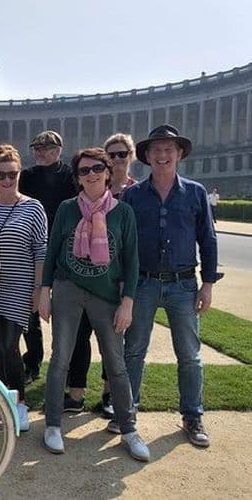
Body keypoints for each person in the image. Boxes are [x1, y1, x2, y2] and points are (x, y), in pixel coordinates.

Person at [39, 147, 149, 461]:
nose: (91, 174)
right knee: (61, 357)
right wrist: (44, 291)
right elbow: (52, 251)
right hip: (68, 289)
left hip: (107, 295)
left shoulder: (122, 211)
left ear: (108, 170)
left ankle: (128, 428)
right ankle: (53, 424)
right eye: (84, 170)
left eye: (97, 168)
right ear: (77, 177)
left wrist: (128, 302)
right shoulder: (66, 209)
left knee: (116, 362)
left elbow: (132, 261)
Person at [122, 124, 219, 448]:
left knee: (190, 355)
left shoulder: (195, 192)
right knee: (134, 351)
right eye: (156, 150)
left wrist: (207, 285)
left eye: (169, 149)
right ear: (147, 157)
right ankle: (128, 414)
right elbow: (124, 243)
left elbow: (208, 239)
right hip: (144, 282)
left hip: (183, 284)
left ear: (179, 154)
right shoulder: (133, 195)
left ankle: (192, 416)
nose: (163, 155)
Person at [65, 133, 138, 420]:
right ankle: (76, 393)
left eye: (123, 154)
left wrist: (128, 293)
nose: (118, 159)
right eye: (113, 155)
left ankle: (110, 395)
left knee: (112, 340)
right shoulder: (79, 199)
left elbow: (132, 246)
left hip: (114, 280)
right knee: (79, 337)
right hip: (82, 277)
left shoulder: (135, 194)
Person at [0, 145, 46, 432]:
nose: (7, 180)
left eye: (12, 174)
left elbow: (41, 251)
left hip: (20, 287)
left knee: (9, 346)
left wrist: (40, 289)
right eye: (2, 174)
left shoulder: (34, 207)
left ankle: (18, 402)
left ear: (19, 174)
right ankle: (1, 399)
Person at [18, 130, 78, 384]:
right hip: (34, 250)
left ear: (59, 149)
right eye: (36, 148)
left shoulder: (71, 176)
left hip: (64, 250)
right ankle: (33, 362)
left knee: (65, 310)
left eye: (46, 147)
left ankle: (62, 364)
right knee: (32, 308)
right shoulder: (27, 177)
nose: (40, 152)